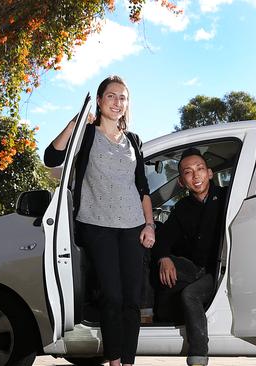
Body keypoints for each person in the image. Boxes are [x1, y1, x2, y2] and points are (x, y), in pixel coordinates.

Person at [44, 75, 155, 366]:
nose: (118, 102)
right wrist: (74, 123)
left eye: (123, 98)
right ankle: (115, 360)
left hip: (132, 226)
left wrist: (149, 224)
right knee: (112, 297)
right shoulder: (88, 135)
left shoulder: (133, 140)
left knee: (132, 299)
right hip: (97, 226)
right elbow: (51, 158)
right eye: (111, 96)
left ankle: (128, 362)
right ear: (99, 100)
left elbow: (142, 187)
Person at [151, 148, 228, 366]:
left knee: (190, 295)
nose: (196, 175)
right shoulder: (181, 208)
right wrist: (163, 258)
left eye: (200, 169)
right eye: (188, 172)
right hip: (196, 269)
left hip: (218, 271)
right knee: (159, 260)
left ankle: (198, 356)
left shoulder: (226, 197)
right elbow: (162, 239)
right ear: (182, 182)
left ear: (210, 173)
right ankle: (160, 318)